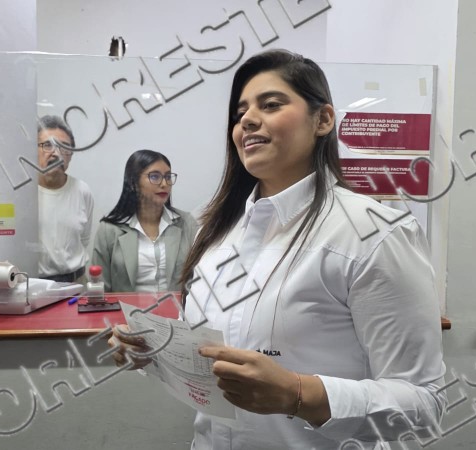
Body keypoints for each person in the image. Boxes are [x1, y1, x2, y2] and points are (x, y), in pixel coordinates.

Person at [109, 50, 445, 449]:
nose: (247, 120)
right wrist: (156, 352)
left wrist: (297, 394)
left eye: (270, 105)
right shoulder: (217, 234)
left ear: (323, 120)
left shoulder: (375, 233)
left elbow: (424, 407)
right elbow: (208, 354)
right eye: (240, 113)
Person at [92, 149, 198, 293]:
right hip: (125, 308)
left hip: (176, 307)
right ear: (134, 183)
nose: (164, 184)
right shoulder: (109, 229)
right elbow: (100, 288)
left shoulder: (187, 223)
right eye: (154, 177)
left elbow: (198, 279)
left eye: (168, 177)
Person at [37, 115, 94, 283]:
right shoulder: (22, 194)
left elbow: (83, 240)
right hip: (34, 285)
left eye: (64, 147)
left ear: (70, 156)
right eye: (47, 145)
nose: (56, 153)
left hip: (77, 283)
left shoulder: (82, 190)